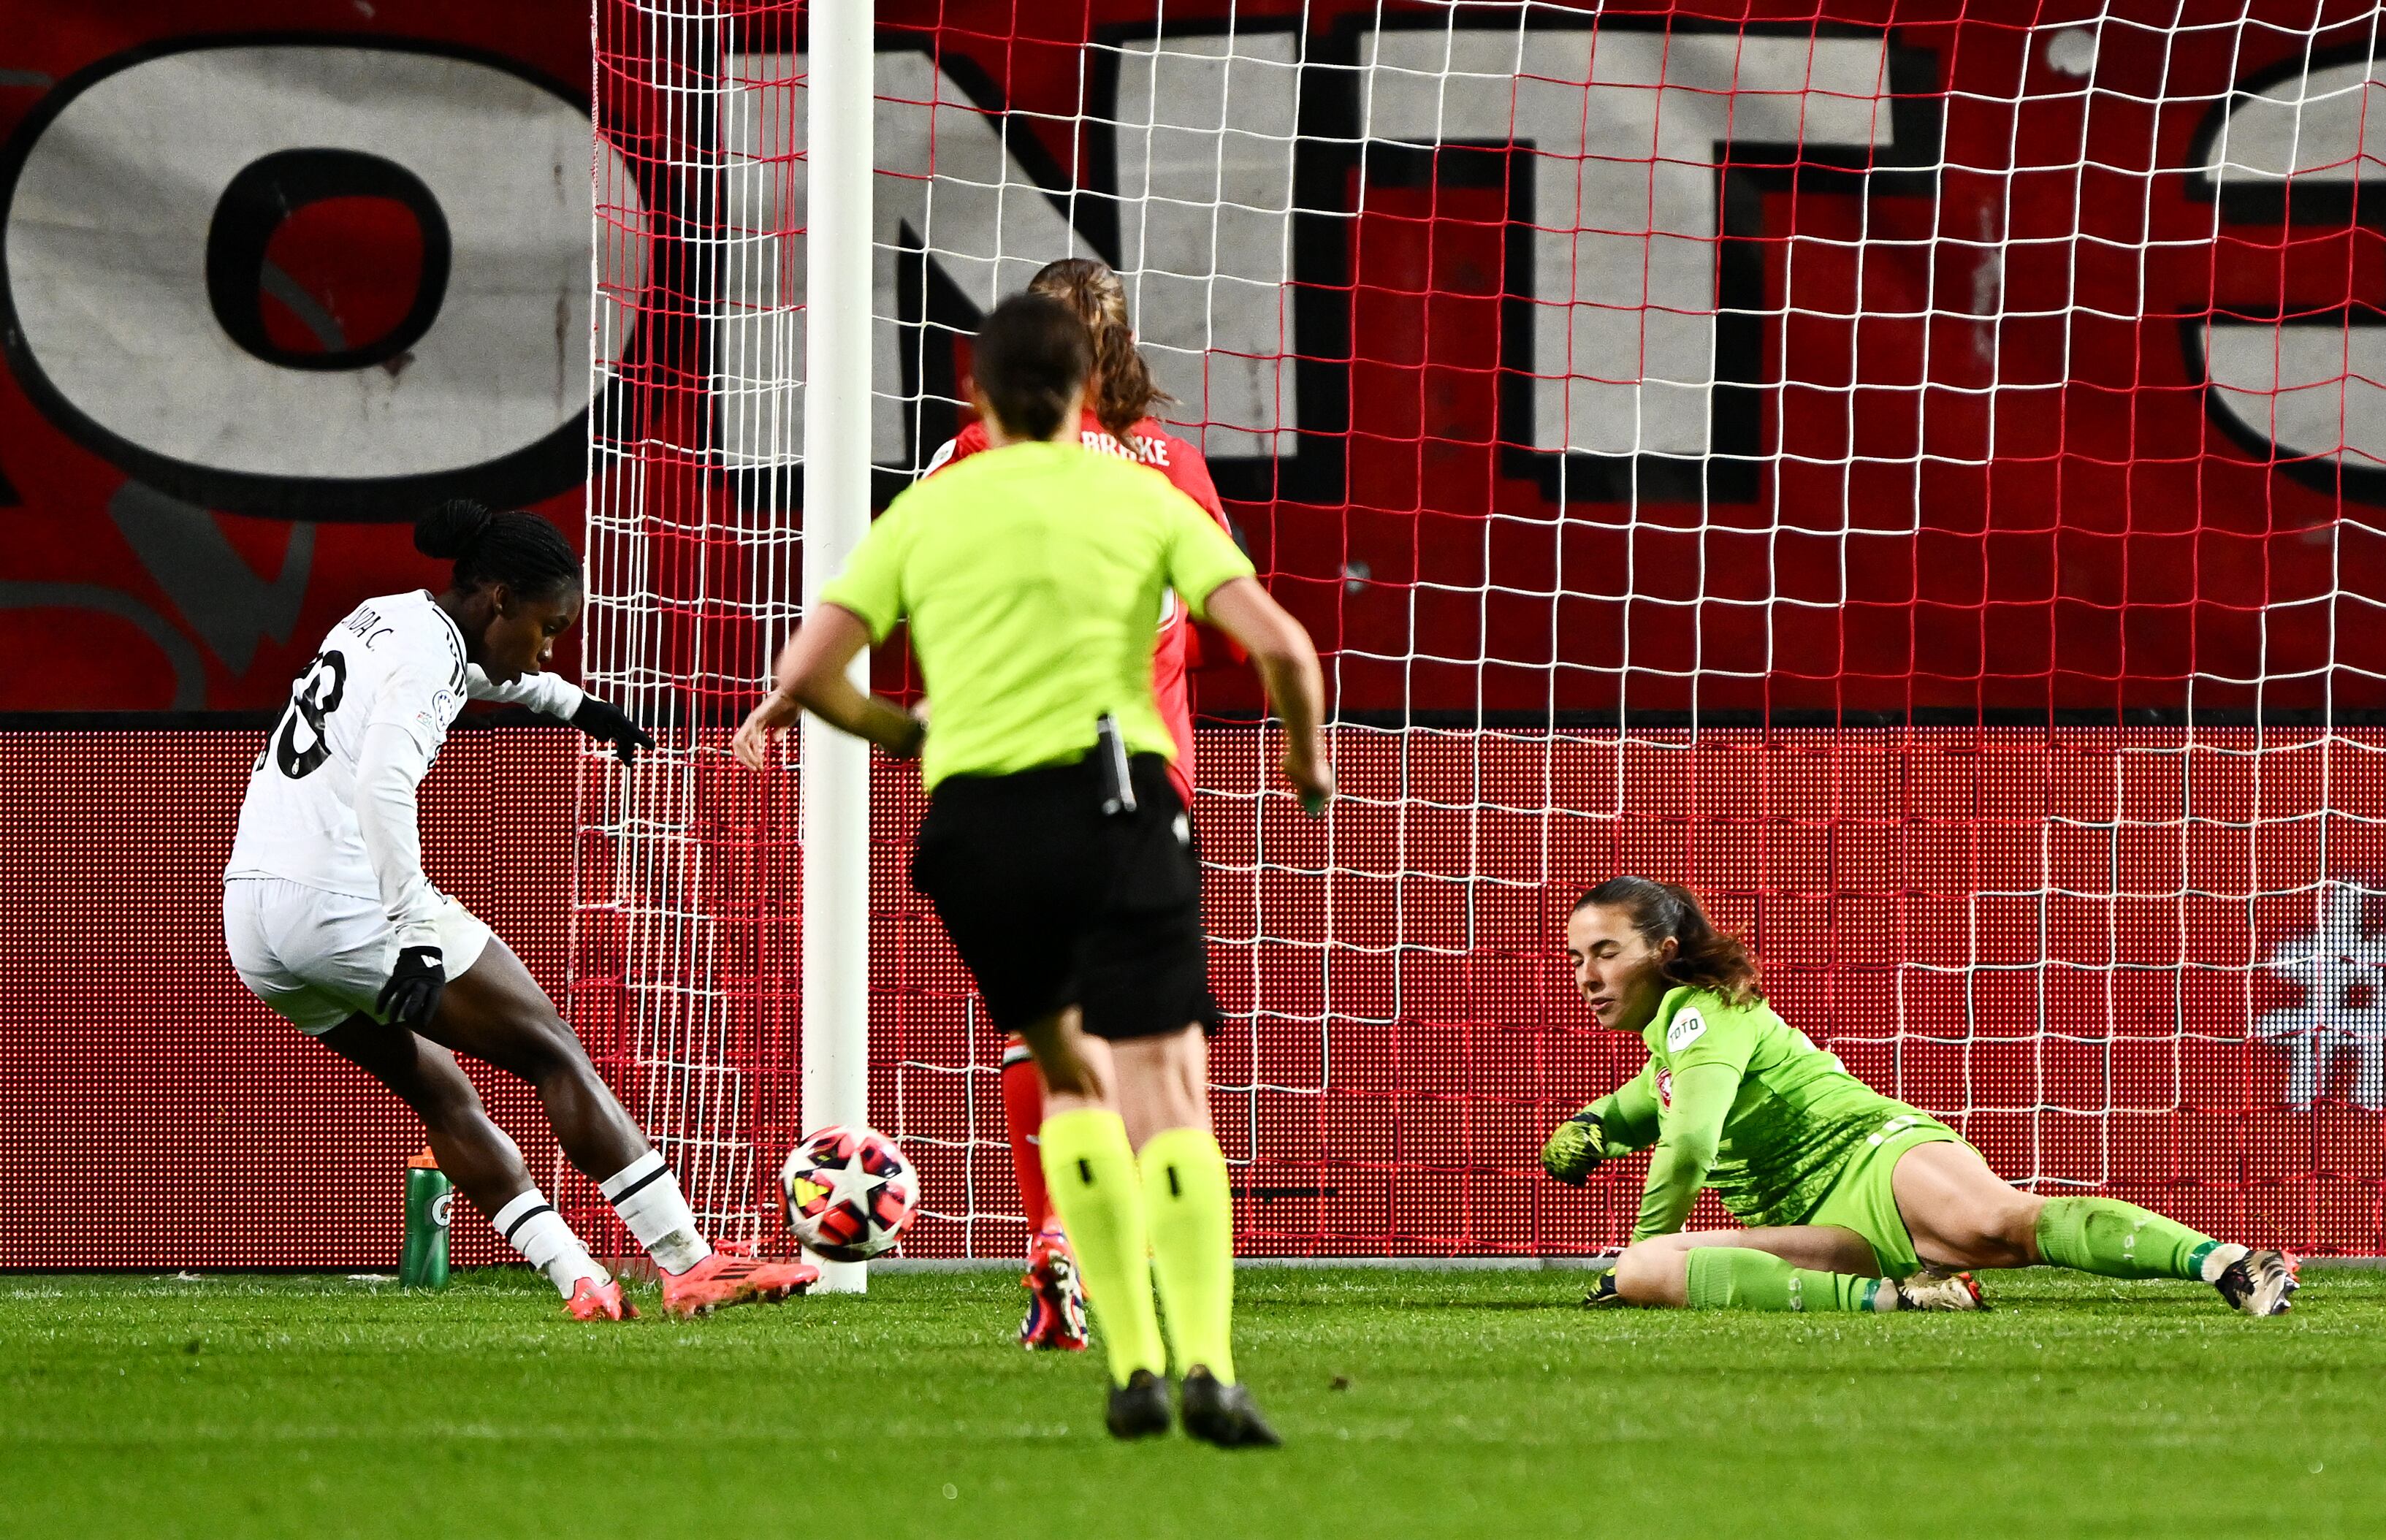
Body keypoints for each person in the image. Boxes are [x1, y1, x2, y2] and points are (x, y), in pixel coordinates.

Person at [733, 292, 1332, 1445]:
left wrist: (911, 737)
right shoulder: (1145, 485)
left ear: (975, 391)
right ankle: (1202, 1364)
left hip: (972, 826)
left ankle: (1125, 1360)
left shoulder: (938, 495)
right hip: (1117, 799)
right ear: (1092, 379)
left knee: (1065, 1075)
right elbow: (1282, 648)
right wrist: (1307, 768)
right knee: (1166, 1087)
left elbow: (808, 672)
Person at [222, 499, 820, 1319]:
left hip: (254, 918)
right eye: (547, 626)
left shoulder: (388, 617)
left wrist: (578, 706)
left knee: (440, 1090)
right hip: (344, 898)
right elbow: (383, 785)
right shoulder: (430, 660)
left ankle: (578, 1275)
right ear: (498, 598)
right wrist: (411, 936)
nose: (549, 646)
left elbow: (483, 673)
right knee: (552, 1050)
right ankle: (687, 1260)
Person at [918, 256, 1239, 1353]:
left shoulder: (974, 455)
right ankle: (1146, 1289)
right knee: (1158, 1054)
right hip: (1150, 780)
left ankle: (1056, 1238)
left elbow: (917, 593)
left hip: (1010, 771)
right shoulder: (1174, 468)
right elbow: (1219, 624)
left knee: (1041, 1031)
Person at [1541, 876, 2300, 1316]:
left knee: (2001, 1223)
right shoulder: (1671, 1050)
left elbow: (1687, 1141)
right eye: (1577, 956)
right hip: (1818, 1229)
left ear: (1662, 952)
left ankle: (2226, 1262)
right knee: (1646, 1276)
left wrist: (1635, 1236)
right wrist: (1582, 1128)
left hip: (1871, 1155)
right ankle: (1903, 1299)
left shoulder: (1703, 1012)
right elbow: (1641, 1104)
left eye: (1605, 952)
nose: (1586, 974)